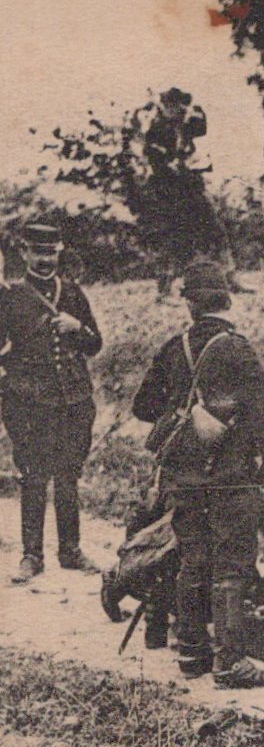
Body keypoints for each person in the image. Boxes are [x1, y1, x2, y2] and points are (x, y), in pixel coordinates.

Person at [136, 260, 264, 687]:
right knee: (232, 565)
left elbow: (143, 407)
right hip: (230, 476)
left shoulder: (173, 348)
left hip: (183, 477)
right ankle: (230, 662)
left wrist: (182, 414)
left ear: (189, 303)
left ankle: (191, 653)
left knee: (192, 560)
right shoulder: (237, 349)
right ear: (226, 300)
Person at [1, 222, 103, 583]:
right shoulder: (10, 297)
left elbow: (95, 344)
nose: (45, 260)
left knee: (68, 475)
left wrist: (79, 328)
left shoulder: (72, 293)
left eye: (51, 253)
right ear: (24, 253)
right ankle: (32, 555)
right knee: (33, 476)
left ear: (59, 253)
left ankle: (70, 550)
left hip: (73, 398)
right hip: (30, 401)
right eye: (38, 252)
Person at [137, 88, 247, 296]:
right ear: (164, 106)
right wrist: (179, 165)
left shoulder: (186, 124)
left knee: (215, 231)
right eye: (171, 106)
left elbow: (201, 127)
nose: (175, 110)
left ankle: (231, 278)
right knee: (172, 238)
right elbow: (157, 162)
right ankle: (165, 289)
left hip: (192, 187)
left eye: (179, 107)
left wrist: (192, 111)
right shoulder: (156, 129)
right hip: (168, 191)